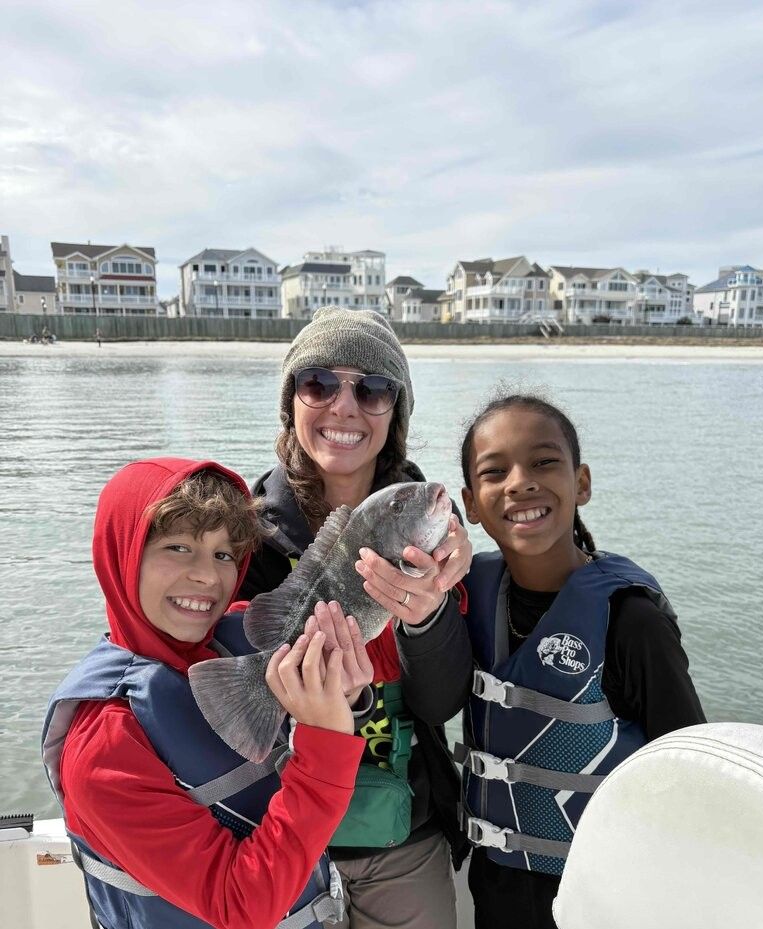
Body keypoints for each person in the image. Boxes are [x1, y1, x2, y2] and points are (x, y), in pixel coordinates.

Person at [42, 457, 371, 929]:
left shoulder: (235, 640)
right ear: (121, 553)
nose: (207, 577)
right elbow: (238, 905)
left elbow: (370, 654)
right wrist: (325, 740)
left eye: (223, 555)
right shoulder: (103, 748)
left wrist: (348, 696)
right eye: (178, 547)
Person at [420, 393, 706, 929]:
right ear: (471, 504)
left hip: (605, 891)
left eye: (544, 462)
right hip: (496, 885)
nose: (520, 482)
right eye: (495, 471)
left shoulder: (631, 619)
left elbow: (688, 768)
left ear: (582, 483)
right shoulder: (466, 595)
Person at [238, 307, 473, 929]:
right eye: (319, 384)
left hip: (402, 829)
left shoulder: (439, 540)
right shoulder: (240, 532)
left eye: (373, 390)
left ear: (395, 414)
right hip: (274, 825)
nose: (344, 406)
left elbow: (441, 702)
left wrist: (428, 617)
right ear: (292, 402)